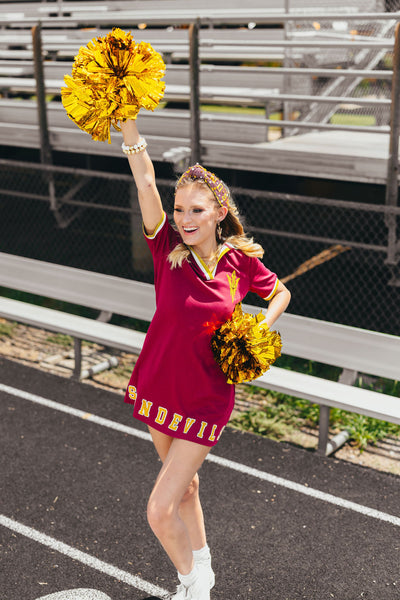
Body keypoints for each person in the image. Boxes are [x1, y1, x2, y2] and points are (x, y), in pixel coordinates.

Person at [120, 118, 291, 600]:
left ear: (219, 213)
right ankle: (203, 559)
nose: (184, 218)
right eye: (179, 209)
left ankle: (194, 584)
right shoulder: (165, 249)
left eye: (196, 209)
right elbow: (146, 180)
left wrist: (259, 327)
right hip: (158, 384)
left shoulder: (241, 261)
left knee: (159, 508)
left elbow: (280, 292)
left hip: (206, 397)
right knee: (187, 489)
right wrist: (129, 124)